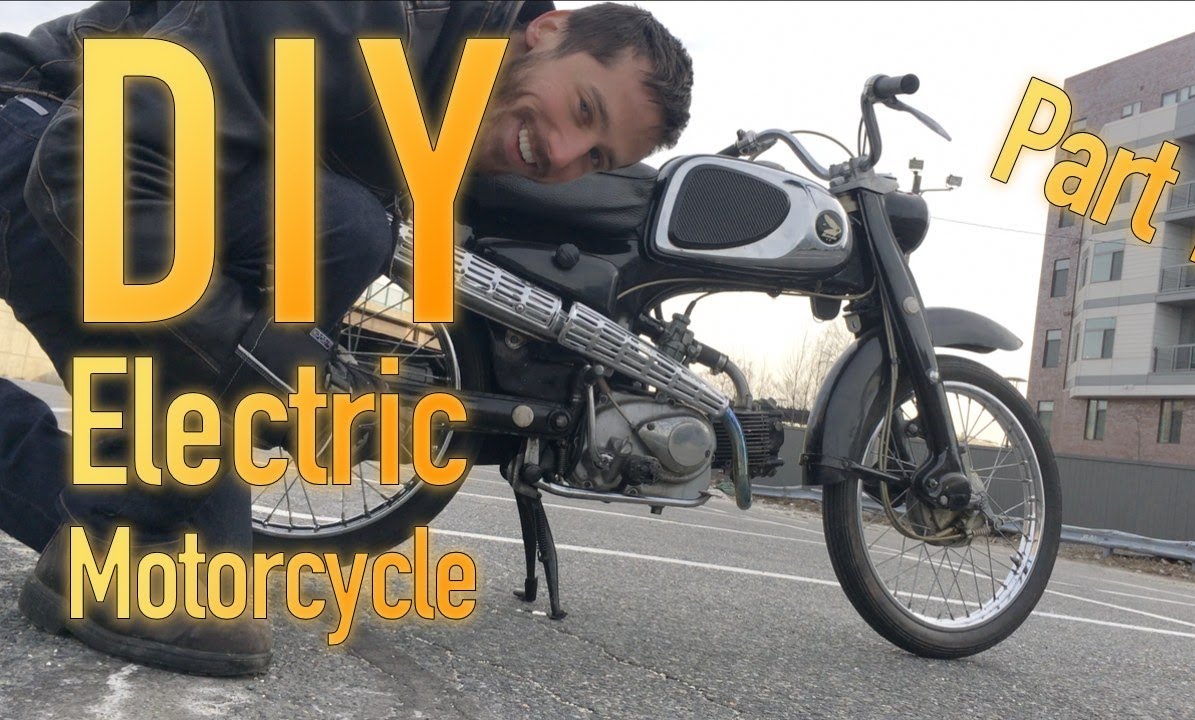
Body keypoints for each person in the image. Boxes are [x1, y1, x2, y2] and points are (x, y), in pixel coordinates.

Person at [0, 0, 692, 676]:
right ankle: (117, 539)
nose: (563, 154)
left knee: (208, 567)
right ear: (547, 30)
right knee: (344, 226)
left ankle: (112, 535)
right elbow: (87, 162)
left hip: (131, 180)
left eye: (595, 158)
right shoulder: (363, 13)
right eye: (583, 109)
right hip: (39, 125)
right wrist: (273, 373)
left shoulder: (455, 101)